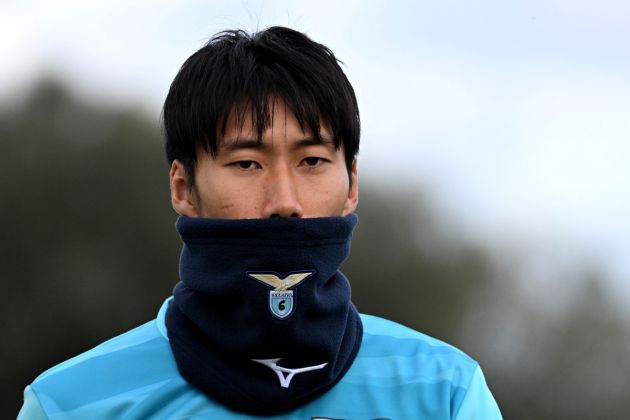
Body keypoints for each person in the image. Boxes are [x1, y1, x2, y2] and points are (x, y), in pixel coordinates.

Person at [18, 26, 502, 419]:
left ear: (351, 183)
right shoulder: (71, 403)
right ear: (183, 187)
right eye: (247, 163)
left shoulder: (446, 394)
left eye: (312, 161)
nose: (284, 202)